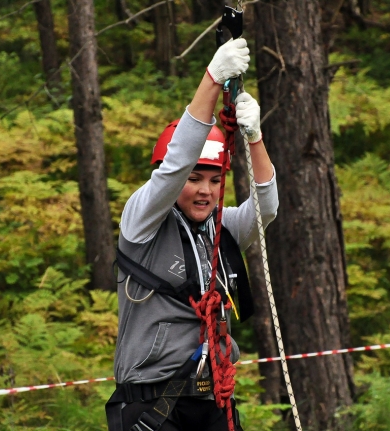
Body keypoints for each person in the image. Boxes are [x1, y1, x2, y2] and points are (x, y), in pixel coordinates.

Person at [106, 38, 279, 431]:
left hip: (211, 399)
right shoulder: (142, 220)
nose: (206, 191)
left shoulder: (220, 229)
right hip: (151, 404)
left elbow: (266, 207)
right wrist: (212, 79)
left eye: (215, 181)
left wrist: (254, 139)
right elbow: (176, 165)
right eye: (194, 179)